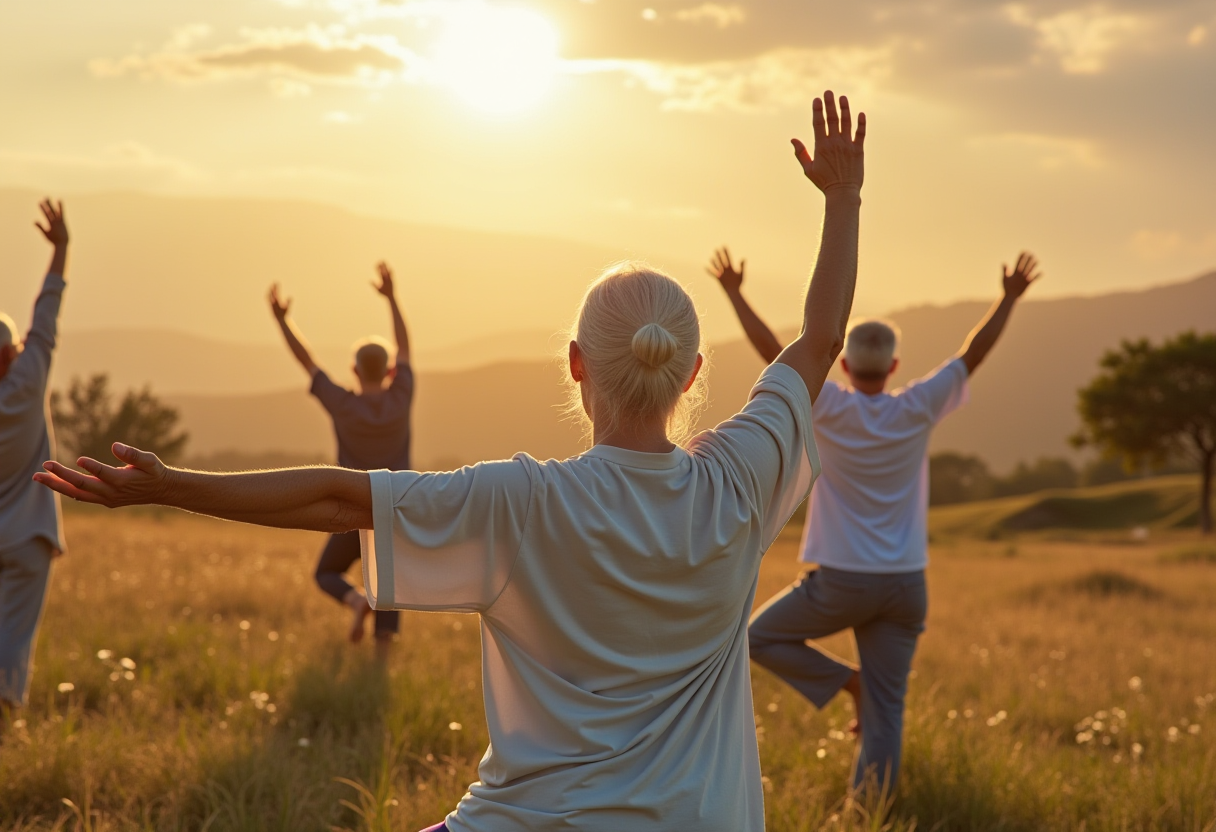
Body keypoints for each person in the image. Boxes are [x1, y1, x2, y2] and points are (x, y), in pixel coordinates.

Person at [35, 90, 864, 832]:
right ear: (690, 374)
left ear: (576, 365)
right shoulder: (739, 483)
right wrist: (844, 199)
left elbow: (336, 499)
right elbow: (819, 340)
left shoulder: (523, 500)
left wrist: (174, 486)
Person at [708, 245, 1041, 795]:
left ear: (841, 366)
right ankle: (869, 812)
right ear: (893, 368)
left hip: (841, 580)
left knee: (758, 638)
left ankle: (850, 685)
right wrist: (1008, 299)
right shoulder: (917, 407)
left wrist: (735, 293)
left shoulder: (829, 407)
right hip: (906, 585)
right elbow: (971, 355)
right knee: (890, 715)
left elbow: (777, 353)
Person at [269, 262, 414, 654]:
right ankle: (382, 657)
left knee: (326, 572)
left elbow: (308, 361)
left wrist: (282, 321)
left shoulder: (343, 405)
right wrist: (392, 298)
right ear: (388, 371)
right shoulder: (400, 399)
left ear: (353, 369)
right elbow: (406, 348)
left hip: (351, 505)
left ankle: (353, 600)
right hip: (394, 506)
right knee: (388, 582)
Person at [1, 200, 70, 712]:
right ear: (13, 353)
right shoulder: (26, 384)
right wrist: (61, 248)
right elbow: (45, 319)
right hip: (27, 537)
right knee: (15, 637)